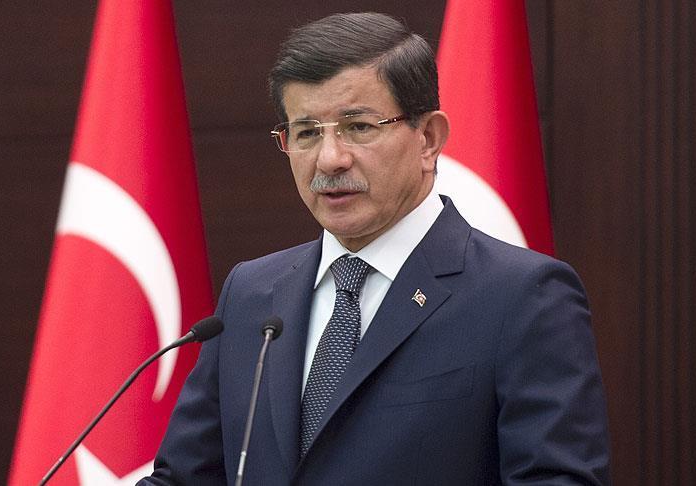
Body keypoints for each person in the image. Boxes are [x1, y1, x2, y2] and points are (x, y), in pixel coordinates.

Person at [139, 12, 610, 485]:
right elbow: (185, 478)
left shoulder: (523, 296)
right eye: (307, 132)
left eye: (359, 127)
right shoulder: (251, 294)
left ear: (428, 139)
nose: (330, 159)